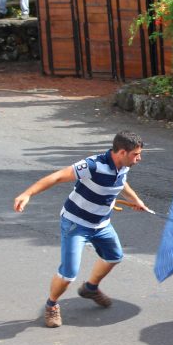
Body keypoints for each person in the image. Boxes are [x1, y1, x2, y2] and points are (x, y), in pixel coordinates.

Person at [13, 131, 150, 328]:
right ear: (121, 152)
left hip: (101, 224)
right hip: (76, 223)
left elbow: (122, 182)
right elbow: (58, 177)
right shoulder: (93, 165)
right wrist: (27, 193)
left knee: (114, 256)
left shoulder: (123, 166)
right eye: (136, 154)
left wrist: (136, 200)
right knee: (69, 273)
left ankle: (90, 288)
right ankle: (51, 305)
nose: (139, 158)